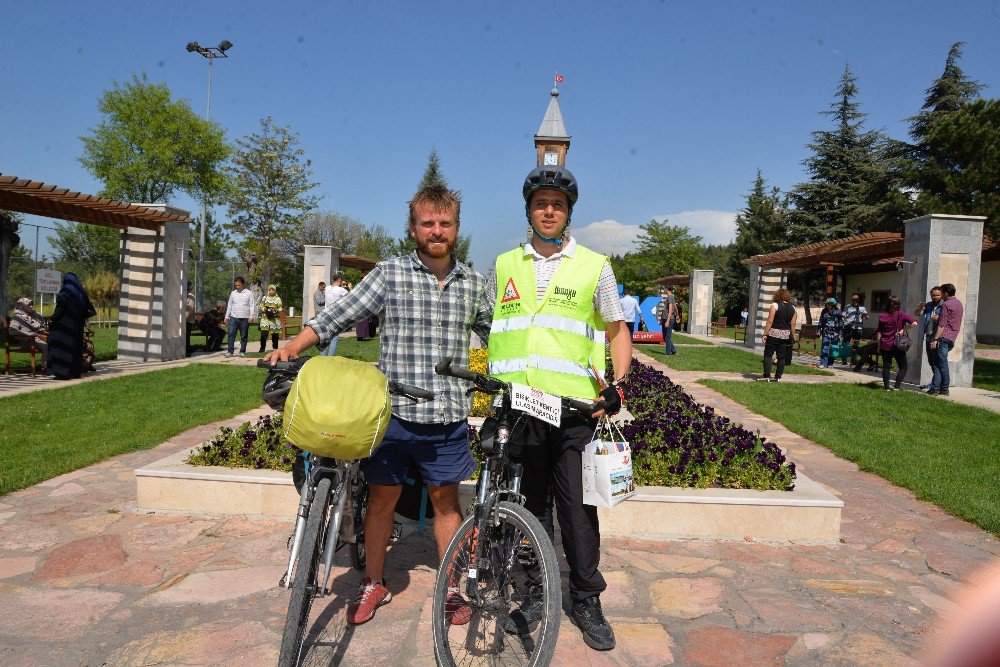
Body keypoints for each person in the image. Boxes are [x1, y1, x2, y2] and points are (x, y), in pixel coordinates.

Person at [265, 184, 493, 627]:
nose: (437, 231)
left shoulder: (474, 284)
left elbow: (499, 336)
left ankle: (449, 590)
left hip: (446, 416)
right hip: (393, 414)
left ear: (457, 229)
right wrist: (293, 346)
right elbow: (339, 315)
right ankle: (374, 582)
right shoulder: (390, 274)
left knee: (446, 505)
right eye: (428, 223)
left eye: (445, 223)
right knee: (382, 501)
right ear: (413, 228)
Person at [487, 165, 632, 652]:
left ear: (569, 212)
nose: (549, 211)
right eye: (540, 203)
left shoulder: (595, 265)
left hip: (573, 411)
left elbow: (617, 330)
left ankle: (586, 598)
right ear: (528, 209)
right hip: (521, 408)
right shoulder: (505, 264)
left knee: (576, 509)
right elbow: (495, 327)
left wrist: (618, 384)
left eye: (558, 204)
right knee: (527, 504)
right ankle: (532, 592)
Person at [47, 273, 96, 380]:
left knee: (61, 346)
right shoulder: (81, 293)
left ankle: (63, 372)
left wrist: (53, 319)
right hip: (77, 326)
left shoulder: (65, 292)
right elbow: (86, 311)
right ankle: (76, 372)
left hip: (63, 326)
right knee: (76, 348)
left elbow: (60, 309)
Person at [875, 296, 917, 391]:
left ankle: (886, 387)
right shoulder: (901, 314)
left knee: (886, 367)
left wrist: (879, 345)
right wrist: (904, 329)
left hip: (885, 344)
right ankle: (897, 387)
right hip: (898, 345)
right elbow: (915, 323)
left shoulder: (883, 316)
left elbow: (879, 332)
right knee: (903, 366)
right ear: (899, 305)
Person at [929, 283, 963, 396]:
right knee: (938, 363)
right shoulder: (959, 303)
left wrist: (935, 339)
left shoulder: (946, 305)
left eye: (942, 292)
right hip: (952, 337)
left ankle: (944, 388)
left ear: (946, 293)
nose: (941, 294)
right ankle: (935, 388)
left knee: (941, 364)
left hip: (943, 337)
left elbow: (942, 324)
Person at [759, 288, 796, 382]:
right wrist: (793, 335)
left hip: (774, 333)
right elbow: (793, 324)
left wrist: (765, 334)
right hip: (785, 334)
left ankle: (766, 375)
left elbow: (770, 321)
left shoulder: (774, 305)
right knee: (781, 356)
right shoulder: (793, 308)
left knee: (768, 354)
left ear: (777, 296)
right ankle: (778, 376)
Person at [914, 287, 943, 389]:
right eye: (933, 295)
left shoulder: (944, 306)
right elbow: (917, 314)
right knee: (931, 362)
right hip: (929, 336)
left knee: (937, 363)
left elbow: (947, 322)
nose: (935, 297)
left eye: (937, 295)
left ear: (942, 295)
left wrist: (938, 319)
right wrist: (921, 308)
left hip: (938, 338)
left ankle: (937, 385)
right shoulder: (929, 305)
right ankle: (936, 383)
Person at [9, 297, 49, 370]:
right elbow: (12, 331)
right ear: (22, 306)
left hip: (37, 338)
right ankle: (45, 367)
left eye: (31, 304)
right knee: (45, 346)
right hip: (27, 340)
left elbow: (40, 326)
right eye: (29, 305)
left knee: (56, 343)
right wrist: (28, 334)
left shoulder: (32, 316)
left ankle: (57, 366)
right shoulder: (17, 318)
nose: (31, 306)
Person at [223, 277, 254, 358]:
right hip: (233, 317)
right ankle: (230, 351)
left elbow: (251, 306)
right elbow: (229, 305)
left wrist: (251, 316)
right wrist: (226, 316)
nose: (237, 287)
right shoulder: (233, 293)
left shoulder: (249, 293)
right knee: (231, 334)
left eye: (239, 285)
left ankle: (242, 351)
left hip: (245, 318)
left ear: (243, 284)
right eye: (236, 285)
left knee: (243, 335)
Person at [320, 273, 350, 356]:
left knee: (325, 337)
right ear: (340, 281)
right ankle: (330, 358)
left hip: (325, 315)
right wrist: (349, 287)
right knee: (334, 338)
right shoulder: (341, 290)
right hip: (335, 316)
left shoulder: (327, 288)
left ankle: (322, 357)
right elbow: (351, 296)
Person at [842, 293, 869, 367]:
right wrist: (844, 322)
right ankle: (844, 359)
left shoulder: (862, 308)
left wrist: (865, 316)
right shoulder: (848, 306)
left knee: (856, 345)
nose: (855, 301)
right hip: (848, 327)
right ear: (852, 300)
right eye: (854, 300)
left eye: (857, 300)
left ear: (859, 300)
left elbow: (867, 317)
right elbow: (843, 315)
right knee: (845, 343)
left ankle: (853, 360)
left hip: (858, 328)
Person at [818, 297, 844, 368]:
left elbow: (841, 323)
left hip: (835, 333)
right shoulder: (824, 311)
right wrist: (819, 330)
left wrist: (841, 333)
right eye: (827, 304)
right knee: (824, 348)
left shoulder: (838, 312)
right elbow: (821, 321)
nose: (828, 305)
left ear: (833, 305)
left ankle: (830, 363)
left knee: (833, 349)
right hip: (826, 332)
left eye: (829, 304)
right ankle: (823, 363)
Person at [257, 284, 283, 353]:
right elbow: (261, 306)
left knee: (274, 334)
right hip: (265, 318)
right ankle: (262, 348)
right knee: (264, 333)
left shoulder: (278, 299)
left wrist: (275, 309)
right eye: (270, 290)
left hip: (274, 319)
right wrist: (265, 309)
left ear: (275, 291)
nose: (271, 291)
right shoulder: (264, 298)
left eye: (273, 290)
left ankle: (275, 348)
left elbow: (280, 308)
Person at [655, 285, 677, 355]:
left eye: (664, 288)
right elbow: (675, 307)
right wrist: (662, 319)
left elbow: (671, 309)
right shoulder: (669, 297)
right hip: (664, 319)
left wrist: (667, 321)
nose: (664, 290)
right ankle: (673, 350)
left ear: (666, 289)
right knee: (664, 336)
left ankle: (668, 353)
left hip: (668, 319)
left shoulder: (670, 297)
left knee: (667, 336)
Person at [185, 281, 197, 354]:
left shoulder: (191, 296)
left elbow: (190, 308)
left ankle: (187, 351)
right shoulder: (183, 294)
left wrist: (185, 318)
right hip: (183, 319)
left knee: (186, 335)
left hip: (188, 320)